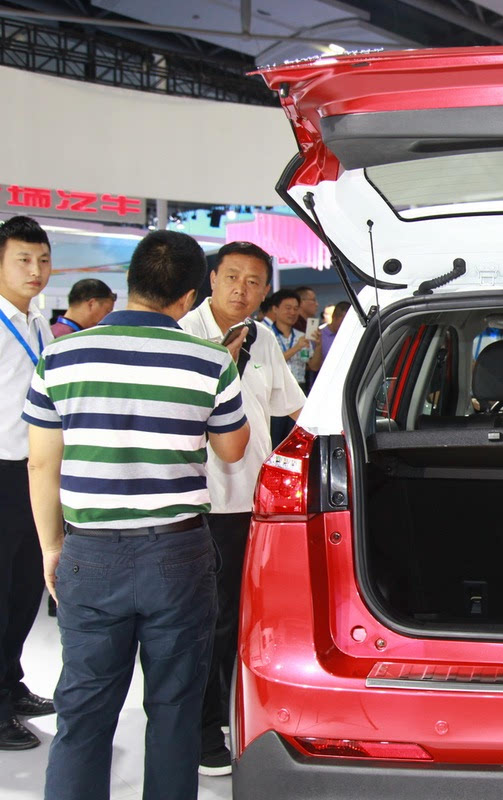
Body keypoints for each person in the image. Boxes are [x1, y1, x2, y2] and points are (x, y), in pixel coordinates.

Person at [24, 230, 250, 799]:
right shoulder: (208, 360)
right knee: (175, 708)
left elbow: (41, 464)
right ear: (191, 295)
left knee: (83, 707)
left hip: (90, 550)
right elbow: (232, 449)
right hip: (178, 552)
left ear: (130, 281)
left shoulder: (60, 356)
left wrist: (52, 547)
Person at [179, 241, 305, 776]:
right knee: (201, 621)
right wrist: (221, 364)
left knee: (240, 618)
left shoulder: (264, 338)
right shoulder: (183, 334)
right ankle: (201, 729)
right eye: (232, 277)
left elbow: (292, 408)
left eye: (254, 282)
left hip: (252, 503)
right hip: (199, 501)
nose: (241, 290)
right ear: (211, 279)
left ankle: (228, 713)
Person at [0, 216, 55, 751]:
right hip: (1, 469)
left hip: (33, 474)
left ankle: (10, 685)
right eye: (22, 259)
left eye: (42, 259)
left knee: (23, 592)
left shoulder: (38, 322)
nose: (35, 270)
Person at [264, 288, 320, 445]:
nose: (292, 312)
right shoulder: (266, 335)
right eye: (288, 308)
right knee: (274, 440)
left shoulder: (301, 336)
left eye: (296, 308)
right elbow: (271, 363)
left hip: (298, 389)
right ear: (275, 309)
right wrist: (296, 348)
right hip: (274, 391)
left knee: (296, 440)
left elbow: (313, 366)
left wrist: (318, 345)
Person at [49, 279, 116, 338]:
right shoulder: (68, 339)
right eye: (107, 311)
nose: (108, 317)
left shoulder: (51, 332)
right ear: (91, 304)